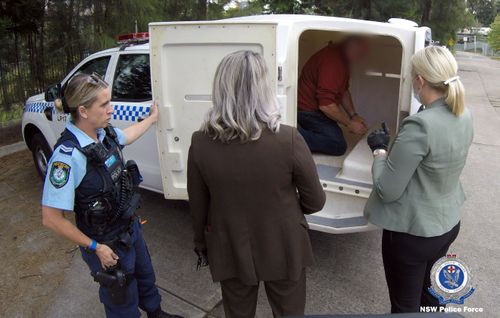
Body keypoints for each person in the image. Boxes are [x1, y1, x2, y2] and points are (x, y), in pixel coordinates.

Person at [187, 51, 326, 318]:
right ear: (264, 90)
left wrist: (201, 243)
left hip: (229, 244)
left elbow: (199, 205)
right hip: (284, 244)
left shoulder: (200, 142)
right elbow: (315, 202)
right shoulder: (289, 139)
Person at [41, 73, 182, 318]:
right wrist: (95, 247)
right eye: (104, 104)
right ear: (83, 111)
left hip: (129, 228)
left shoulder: (104, 134)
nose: (111, 108)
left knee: (145, 277)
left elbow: (127, 135)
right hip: (104, 243)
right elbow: (51, 219)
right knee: (122, 299)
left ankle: (156, 313)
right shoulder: (67, 157)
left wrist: (151, 119)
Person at [364, 46, 473, 313]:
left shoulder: (420, 125)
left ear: (420, 80)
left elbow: (386, 190)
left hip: (413, 234)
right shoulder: (463, 114)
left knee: (405, 308)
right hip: (446, 224)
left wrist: (380, 151)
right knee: (432, 299)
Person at [297, 36, 369, 156]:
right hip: (308, 111)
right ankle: (291, 137)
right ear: (350, 47)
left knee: (334, 134)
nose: (360, 58)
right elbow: (326, 106)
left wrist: (353, 116)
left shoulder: (342, 59)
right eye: (360, 54)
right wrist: (350, 124)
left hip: (318, 109)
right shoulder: (332, 62)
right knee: (337, 144)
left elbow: (344, 91)